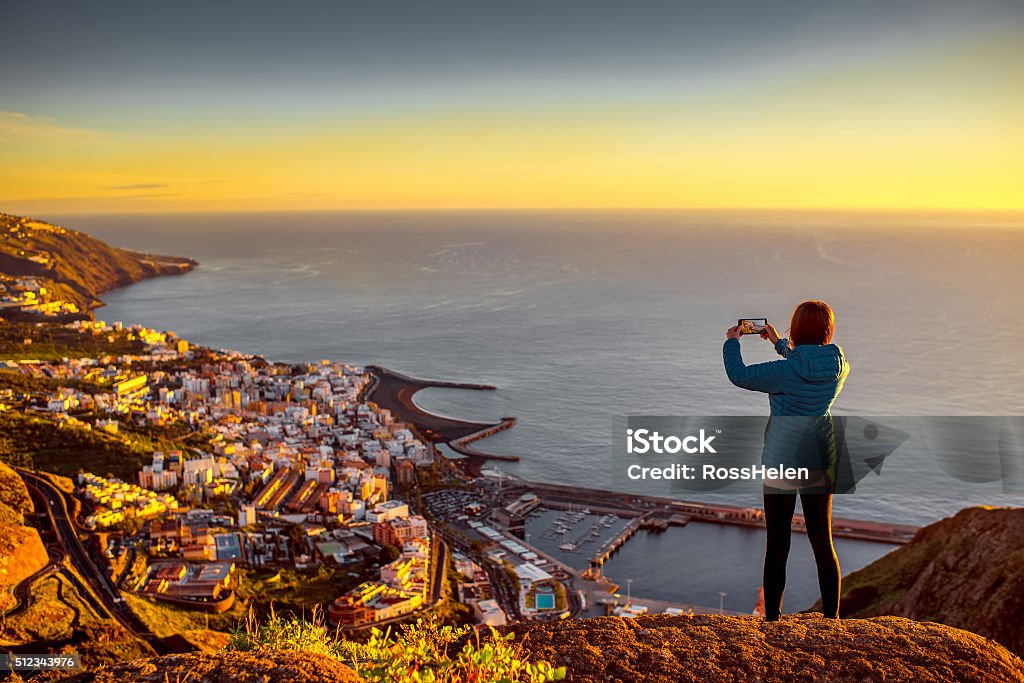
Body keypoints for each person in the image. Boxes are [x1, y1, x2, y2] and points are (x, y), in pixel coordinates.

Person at [723, 300, 850, 621]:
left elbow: (739, 375)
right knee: (823, 541)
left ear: (797, 329)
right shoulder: (840, 365)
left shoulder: (784, 371)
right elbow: (807, 363)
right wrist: (780, 343)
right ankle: (832, 617)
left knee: (777, 542)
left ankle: (773, 619)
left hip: (782, 460)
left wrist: (731, 342)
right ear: (828, 330)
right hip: (820, 459)